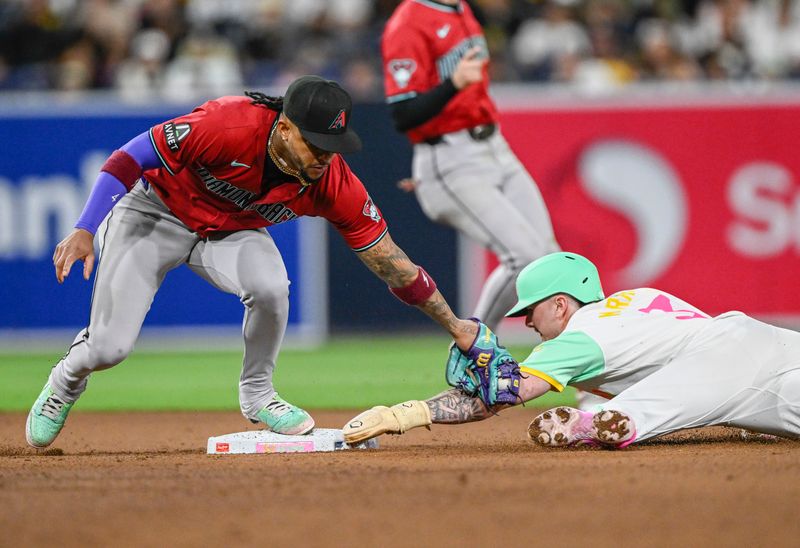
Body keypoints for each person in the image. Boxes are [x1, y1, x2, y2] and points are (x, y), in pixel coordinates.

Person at [25, 75, 484, 449]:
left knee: (271, 286)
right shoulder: (227, 124)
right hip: (154, 212)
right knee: (109, 349)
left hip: (228, 230)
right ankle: (66, 381)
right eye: (317, 144)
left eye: (335, 144)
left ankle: (259, 396)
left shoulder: (332, 182)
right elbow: (131, 156)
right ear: (284, 128)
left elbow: (392, 263)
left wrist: (457, 327)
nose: (327, 156)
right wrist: (86, 226)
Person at [343, 252, 800, 447]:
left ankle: (594, 425)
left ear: (561, 304)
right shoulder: (640, 297)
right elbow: (706, 351)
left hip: (717, 363)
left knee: (626, 415)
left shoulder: (579, 337)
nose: (526, 322)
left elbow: (504, 394)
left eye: (531, 311)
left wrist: (408, 414)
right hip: (757, 337)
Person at [381, 0, 560, 330]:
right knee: (524, 259)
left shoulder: (460, 7)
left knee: (551, 262)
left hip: (494, 145)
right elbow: (402, 114)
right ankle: (471, 357)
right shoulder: (408, 23)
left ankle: (571, 366)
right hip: (450, 156)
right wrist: (453, 84)